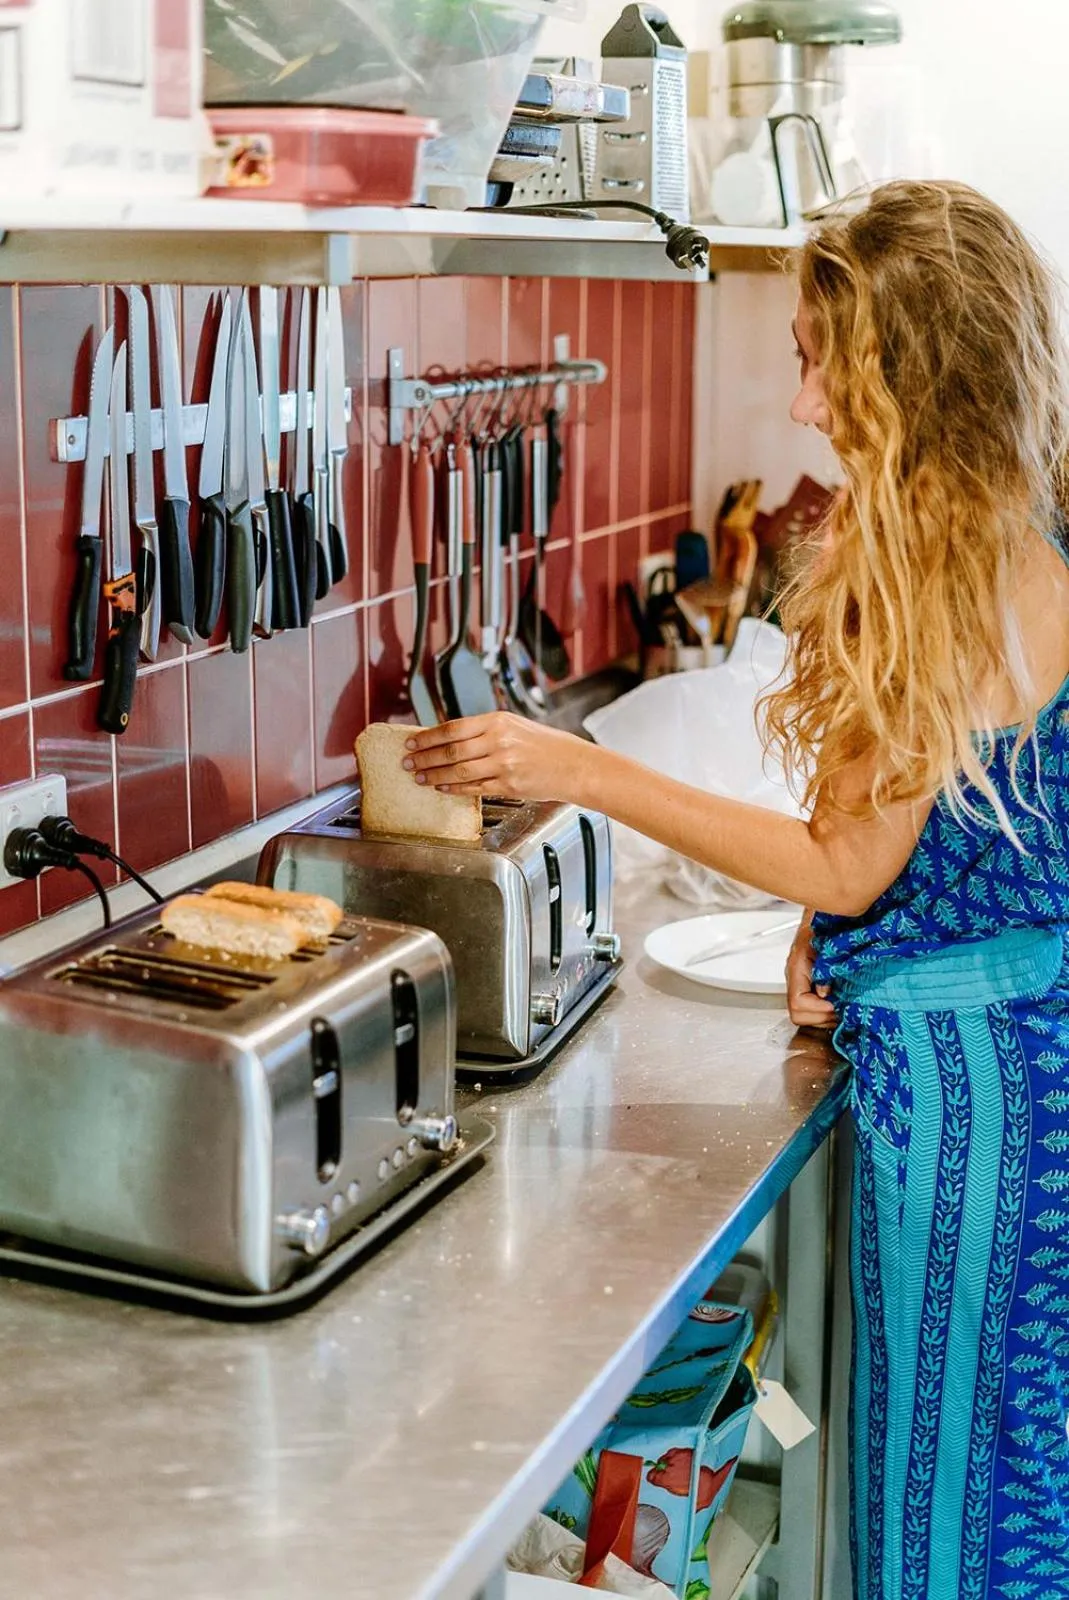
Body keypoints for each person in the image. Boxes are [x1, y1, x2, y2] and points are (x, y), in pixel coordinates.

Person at [405, 179, 1069, 1599]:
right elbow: (960, 851)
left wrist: (574, 766)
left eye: (826, 359)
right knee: (1026, 1486)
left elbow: (848, 855)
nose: (811, 400)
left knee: (942, 1501)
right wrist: (847, 936)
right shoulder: (1040, 535)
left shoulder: (935, 574)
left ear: (908, 371)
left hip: (967, 1120)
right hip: (1041, 1068)